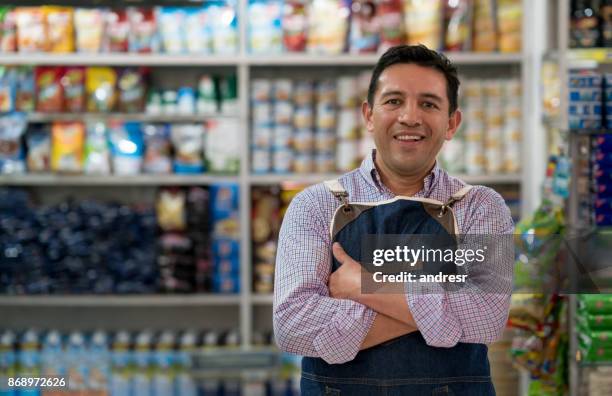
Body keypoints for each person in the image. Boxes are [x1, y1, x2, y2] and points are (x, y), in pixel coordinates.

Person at [273, 44, 514, 395]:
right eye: (394, 101)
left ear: (451, 123)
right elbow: (293, 324)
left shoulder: (480, 207)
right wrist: (441, 312)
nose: (410, 117)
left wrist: (364, 286)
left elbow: (487, 317)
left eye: (429, 104)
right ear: (369, 115)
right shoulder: (315, 206)